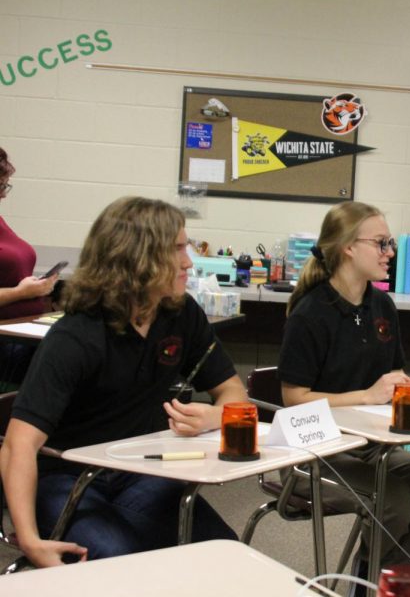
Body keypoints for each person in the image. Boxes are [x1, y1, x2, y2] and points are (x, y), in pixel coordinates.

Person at [0, 197, 246, 567]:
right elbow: (18, 446)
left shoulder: (181, 314)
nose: (188, 262)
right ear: (138, 257)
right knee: (116, 558)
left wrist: (214, 416)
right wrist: (31, 541)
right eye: (178, 249)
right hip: (68, 477)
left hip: (139, 469)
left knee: (222, 553)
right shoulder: (76, 336)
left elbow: (234, 393)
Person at [278, 201, 410, 594]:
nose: (390, 252)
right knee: (393, 499)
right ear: (348, 247)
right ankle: (373, 587)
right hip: (313, 450)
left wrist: (406, 387)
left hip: (370, 446)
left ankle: (377, 585)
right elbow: (294, 399)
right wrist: (365, 395)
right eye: (381, 243)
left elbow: (388, 378)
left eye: (390, 243)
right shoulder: (311, 313)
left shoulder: (382, 305)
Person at [0, 147, 60, 386]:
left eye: (5, 186)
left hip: (20, 335)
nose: (3, 195)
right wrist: (22, 293)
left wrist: (34, 288)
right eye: (1, 186)